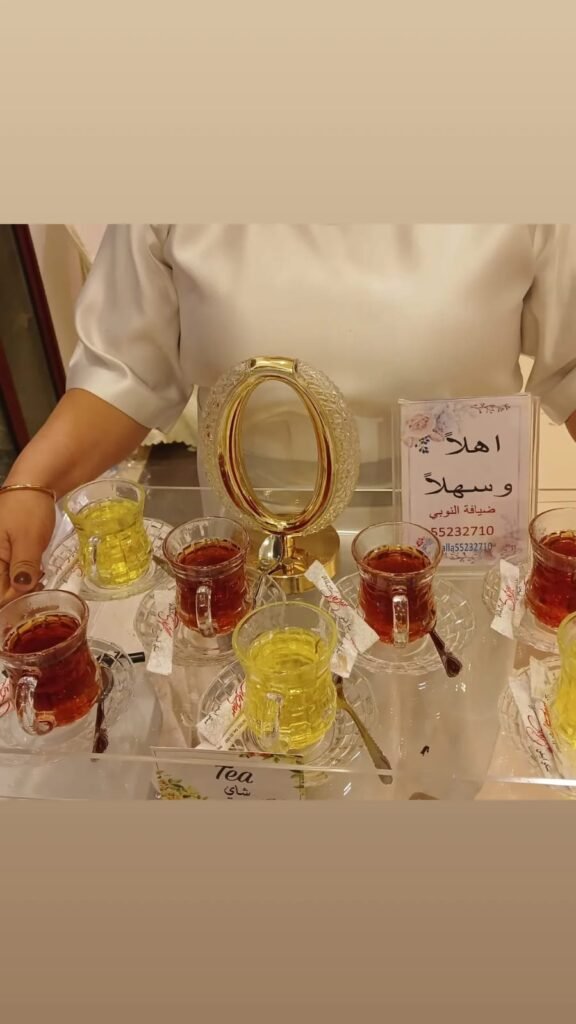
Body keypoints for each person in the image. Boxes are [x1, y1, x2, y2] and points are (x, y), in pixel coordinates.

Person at [1, 223, 576, 606]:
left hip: (459, 541)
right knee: (273, 720)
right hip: (255, 549)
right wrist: (30, 485)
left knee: (439, 724)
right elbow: (125, 372)